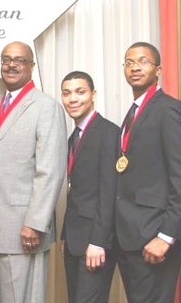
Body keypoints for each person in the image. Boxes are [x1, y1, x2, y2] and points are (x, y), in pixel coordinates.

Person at [0, 41, 67, 302]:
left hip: (22, 228)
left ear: (31, 66)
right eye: (6, 60)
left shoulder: (46, 107)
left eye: (19, 60)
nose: (11, 65)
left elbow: (50, 170)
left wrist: (36, 223)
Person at [115, 42, 181, 303]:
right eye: (129, 62)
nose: (135, 67)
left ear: (158, 69)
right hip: (131, 236)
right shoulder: (134, 112)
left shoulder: (169, 109)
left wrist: (166, 237)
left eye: (143, 61)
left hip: (155, 236)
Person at [60, 71, 118, 303]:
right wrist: (66, 235)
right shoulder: (72, 138)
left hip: (95, 242)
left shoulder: (109, 133)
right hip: (74, 240)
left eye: (80, 92)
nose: (73, 99)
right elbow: (75, 191)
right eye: (67, 93)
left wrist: (98, 241)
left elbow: (109, 192)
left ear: (93, 95)